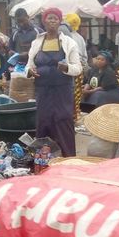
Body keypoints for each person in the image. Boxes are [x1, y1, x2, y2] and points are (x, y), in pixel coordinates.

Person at [26, 8, 82, 157]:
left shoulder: (69, 42)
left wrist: (67, 67)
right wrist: (29, 71)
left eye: (55, 18)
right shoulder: (36, 42)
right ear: (44, 21)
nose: (52, 21)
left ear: (59, 22)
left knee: (63, 120)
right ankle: (42, 158)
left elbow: (78, 68)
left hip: (62, 91)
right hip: (42, 90)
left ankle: (68, 157)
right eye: (49, 18)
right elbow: (29, 64)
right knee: (43, 120)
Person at [63, 13, 88, 120]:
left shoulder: (65, 36)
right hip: (79, 68)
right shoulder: (80, 38)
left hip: (67, 68)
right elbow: (85, 56)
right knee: (77, 92)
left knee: (69, 92)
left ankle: (69, 115)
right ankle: (75, 115)